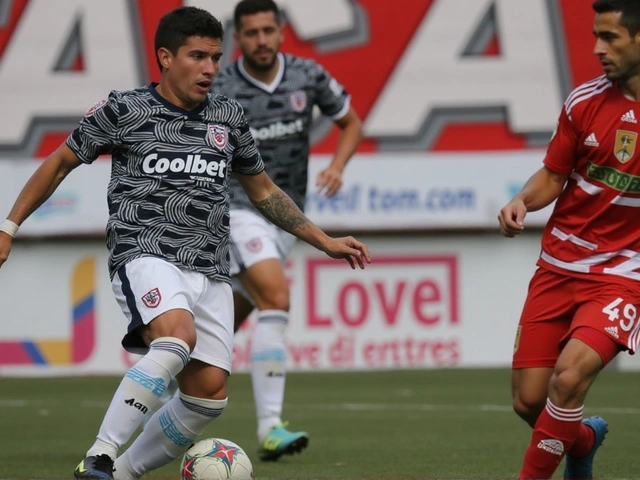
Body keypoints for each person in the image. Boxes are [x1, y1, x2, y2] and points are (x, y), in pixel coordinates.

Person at [0, 6, 370, 480]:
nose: (210, 68)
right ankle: (99, 455)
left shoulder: (228, 116)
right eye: (197, 56)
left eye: (216, 57)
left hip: (210, 268)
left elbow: (263, 191)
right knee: (176, 337)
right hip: (145, 253)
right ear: (166, 57)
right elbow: (58, 163)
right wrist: (9, 226)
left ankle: (123, 473)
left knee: (206, 396)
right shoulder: (125, 109)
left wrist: (324, 240)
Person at [200, 0, 363, 462]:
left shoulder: (308, 76)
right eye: (251, 33)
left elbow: (350, 123)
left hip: (288, 216)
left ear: (282, 31)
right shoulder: (222, 86)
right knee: (276, 296)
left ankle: (155, 394)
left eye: (268, 30)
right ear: (239, 38)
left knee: (215, 329)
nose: (261, 40)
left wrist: (337, 164)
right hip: (237, 209)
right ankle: (271, 427)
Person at [497, 1, 640, 478]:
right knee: (529, 401)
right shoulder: (585, 101)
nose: (598, 48)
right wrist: (522, 200)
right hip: (559, 265)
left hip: (623, 273)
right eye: (596, 35)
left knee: (571, 375)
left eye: (612, 38)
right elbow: (554, 175)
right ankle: (581, 442)